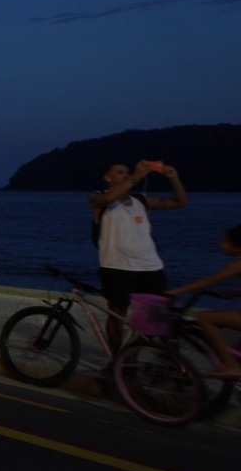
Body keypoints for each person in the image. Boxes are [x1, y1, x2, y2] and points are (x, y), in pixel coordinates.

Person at [90, 159, 188, 349]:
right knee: (117, 313)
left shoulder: (142, 200)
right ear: (107, 178)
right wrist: (136, 176)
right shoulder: (96, 198)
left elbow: (181, 201)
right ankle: (116, 361)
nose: (125, 175)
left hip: (150, 267)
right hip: (116, 267)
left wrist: (174, 179)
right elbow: (108, 199)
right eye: (120, 172)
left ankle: (142, 359)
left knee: (155, 316)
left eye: (127, 172)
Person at [166, 224, 241, 379]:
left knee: (204, 318)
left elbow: (211, 279)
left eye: (225, 241)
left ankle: (232, 368)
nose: (221, 244)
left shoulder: (238, 263)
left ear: (237, 246)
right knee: (237, 353)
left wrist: (175, 291)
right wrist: (233, 293)